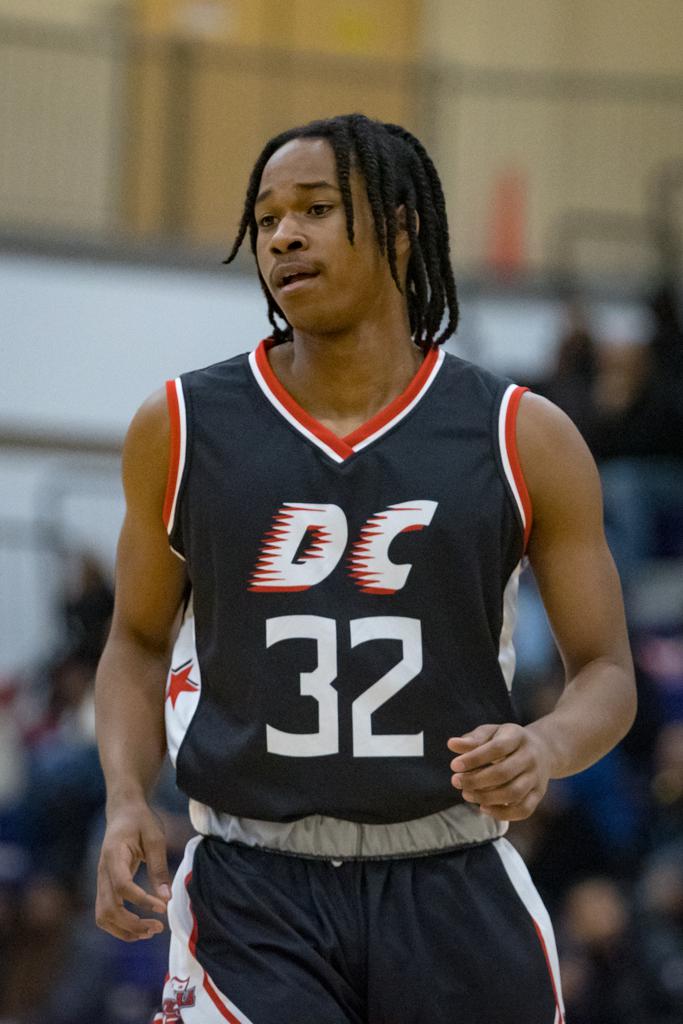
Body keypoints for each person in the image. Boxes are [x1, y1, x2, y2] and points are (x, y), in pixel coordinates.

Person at [94, 114, 636, 1024]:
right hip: (251, 889)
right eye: (265, 219)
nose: (283, 236)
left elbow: (608, 672)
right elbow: (138, 640)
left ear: (398, 225)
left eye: (314, 208)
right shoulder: (180, 425)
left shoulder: (521, 436)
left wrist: (546, 746)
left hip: (453, 875)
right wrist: (122, 799)